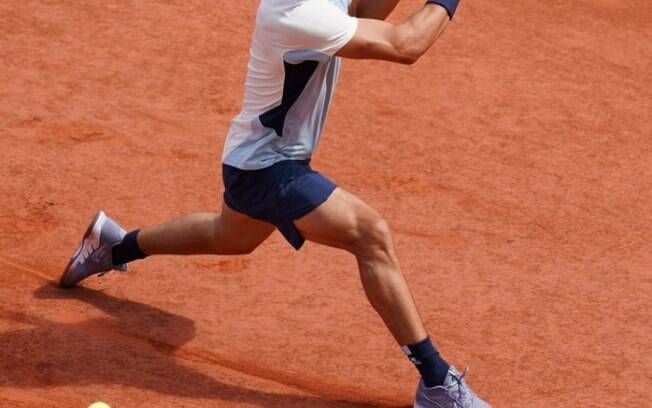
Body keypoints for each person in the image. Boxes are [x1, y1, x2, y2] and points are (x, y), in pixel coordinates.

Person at [60, 1, 490, 406]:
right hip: (267, 167)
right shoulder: (292, 14)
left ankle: (113, 245)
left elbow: (363, 11)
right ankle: (436, 382)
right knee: (370, 234)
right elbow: (403, 45)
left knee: (227, 237)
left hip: (254, 161)